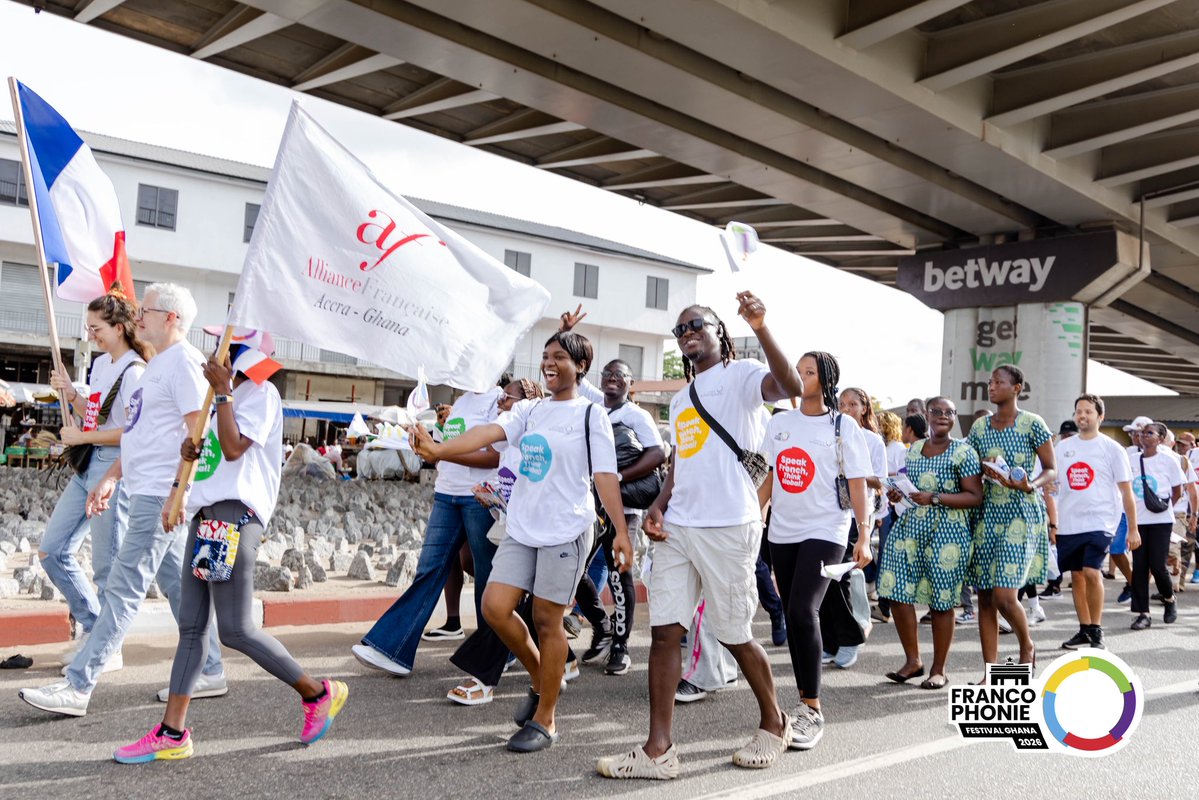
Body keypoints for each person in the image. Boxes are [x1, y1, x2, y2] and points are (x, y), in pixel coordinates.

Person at [597, 293, 802, 780]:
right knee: (666, 630)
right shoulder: (681, 397)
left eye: (697, 325)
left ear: (719, 333)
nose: (687, 333)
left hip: (730, 523)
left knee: (733, 633)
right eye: (680, 329)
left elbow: (790, 384)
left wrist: (762, 324)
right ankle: (658, 749)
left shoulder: (743, 375)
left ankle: (775, 723)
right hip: (679, 526)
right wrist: (658, 505)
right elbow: (680, 463)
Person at [112, 344, 347, 763]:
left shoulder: (261, 394)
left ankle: (317, 691)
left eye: (222, 350)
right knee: (191, 626)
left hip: (235, 516)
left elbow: (235, 446)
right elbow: (211, 454)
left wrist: (223, 393)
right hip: (207, 515)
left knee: (235, 630)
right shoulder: (215, 393)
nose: (211, 355)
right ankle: (172, 732)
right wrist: (183, 474)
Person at [412, 331, 631, 753]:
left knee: (548, 620)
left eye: (560, 357)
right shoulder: (529, 411)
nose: (549, 363)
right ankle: (542, 677)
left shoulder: (591, 415)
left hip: (566, 529)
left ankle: (545, 719)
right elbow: (486, 433)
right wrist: (439, 450)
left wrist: (621, 530)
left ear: (581, 366)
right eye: (546, 356)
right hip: (524, 526)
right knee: (495, 606)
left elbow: (604, 476)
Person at [19, 283, 225, 716]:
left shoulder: (185, 365)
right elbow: (139, 435)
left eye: (146, 311)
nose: (138, 318)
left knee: (122, 588)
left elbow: (198, 436)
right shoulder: (157, 366)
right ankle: (210, 667)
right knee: (174, 582)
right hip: (144, 487)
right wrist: (112, 475)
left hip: (159, 496)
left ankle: (78, 685)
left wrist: (179, 492)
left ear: (171, 319)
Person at [350, 379, 504, 677]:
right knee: (429, 569)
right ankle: (392, 648)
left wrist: (440, 451)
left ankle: (495, 652)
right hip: (447, 493)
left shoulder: (498, 401)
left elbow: (495, 457)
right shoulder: (462, 402)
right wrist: (430, 440)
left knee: (487, 574)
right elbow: (443, 449)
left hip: (478, 496)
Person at [760, 351, 872, 748]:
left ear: (825, 380)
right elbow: (771, 476)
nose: (800, 376)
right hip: (782, 532)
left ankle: (812, 708)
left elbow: (857, 483)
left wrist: (864, 535)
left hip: (827, 529)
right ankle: (804, 699)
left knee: (802, 609)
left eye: (808, 372)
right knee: (795, 616)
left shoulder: (843, 425)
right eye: (797, 369)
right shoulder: (780, 423)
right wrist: (754, 517)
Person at [41, 287, 149, 671]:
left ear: (119, 328)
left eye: (96, 327)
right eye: (88, 327)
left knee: (107, 565)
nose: (91, 334)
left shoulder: (136, 371)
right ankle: (93, 626)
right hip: (89, 464)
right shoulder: (102, 365)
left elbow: (132, 432)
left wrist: (82, 437)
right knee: (51, 550)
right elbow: (97, 416)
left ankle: (108, 647)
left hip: (115, 466)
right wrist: (71, 394)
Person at [881, 397, 983, 689]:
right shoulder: (912, 450)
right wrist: (899, 494)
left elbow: (975, 496)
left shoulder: (963, 451)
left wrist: (935, 498)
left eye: (948, 412)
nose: (942, 416)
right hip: (911, 526)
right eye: (936, 411)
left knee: (942, 599)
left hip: (948, 530)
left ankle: (938, 669)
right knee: (896, 589)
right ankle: (913, 661)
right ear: (926, 415)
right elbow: (914, 489)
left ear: (953, 418)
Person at [967, 365, 1056, 678]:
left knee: (1006, 596)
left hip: (1021, 512)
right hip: (988, 513)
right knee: (987, 597)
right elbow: (970, 470)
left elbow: (1051, 468)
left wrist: (1030, 483)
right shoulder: (979, 427)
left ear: (1017, 387)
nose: (992, 387)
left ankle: (1027, 646)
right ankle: (990, 670)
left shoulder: (1033, 423)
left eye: (999, 382)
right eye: (990, 382)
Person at [581, 358, 665, 675]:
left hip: (623, 509)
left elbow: (657, 453)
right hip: (590, 509)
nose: (613, 379)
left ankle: (620, 645)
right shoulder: (594, 406)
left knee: (619, 575)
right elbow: (576, 379)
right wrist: (565, 334)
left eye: (620, 375)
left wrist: (618, 477)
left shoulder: (636, 415)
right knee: (573, 571)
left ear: (630, 383)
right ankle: (602, 627)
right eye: (608, 374)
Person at [1051, 394, 1138, 650]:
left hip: (1101, 522)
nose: (1082, 416)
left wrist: (1133, 528)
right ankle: (1084, 629)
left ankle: (1097, 630)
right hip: (1069, 522)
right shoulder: (1063, 447)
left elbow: (1126, 492)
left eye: (1088, 411)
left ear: (1100, 416)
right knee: (1076, 576)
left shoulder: (1111, 448)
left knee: (1091, 572)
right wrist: (1052, 522)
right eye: (1079, 411)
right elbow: (1051, 484)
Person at [818, 387, 885, 669]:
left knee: (842, 577)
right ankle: (830, 640)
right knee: (823, 578)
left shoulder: (871, 440)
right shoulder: (828, 432)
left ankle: (850, 638)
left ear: (864, 408)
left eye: (853, 404)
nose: (846, 408)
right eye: (842, 403)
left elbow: (879, 481)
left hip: (856, 515)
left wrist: (853, 471)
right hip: (824, 513)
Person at [1128, 422, 1185, 630]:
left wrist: (1164, 507)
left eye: (1149, 433)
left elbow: (1178, 490)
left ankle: (1169, 599)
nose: (1143, 435)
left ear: (1160, 439)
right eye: (1142, 432)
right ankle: (1143, 613)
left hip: (1161, 520)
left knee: (1158, 566)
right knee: (1140, 566)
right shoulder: (1132, 460)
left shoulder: (1168, 460)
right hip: (1138, 521)